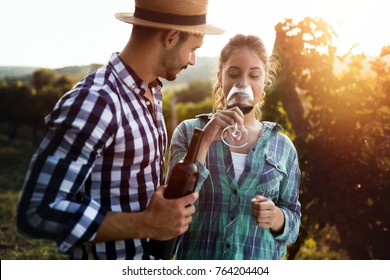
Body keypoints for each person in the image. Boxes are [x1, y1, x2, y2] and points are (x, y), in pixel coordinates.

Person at [16, 0, 223, 260]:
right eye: (193, 49)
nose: (193, 60)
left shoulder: (151, 92)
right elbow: (37, 212)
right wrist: (146, 223)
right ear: (171, 37)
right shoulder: (96, 101)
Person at [168, 34, 301, 259]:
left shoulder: (283, 146)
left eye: (254, 75)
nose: (243, 84)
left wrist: (279, 218)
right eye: (233, 74)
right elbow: (172, 204)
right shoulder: (189, 132)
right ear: (220, 77)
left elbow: (294, 222)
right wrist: (206, 139)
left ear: (265, 80)